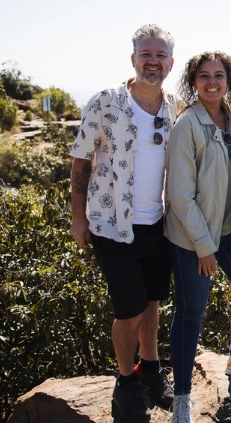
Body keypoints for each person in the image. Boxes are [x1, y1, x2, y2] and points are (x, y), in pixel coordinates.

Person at [70, 24, 178, 423]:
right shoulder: (106, 102)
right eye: (146, 54)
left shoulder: (175, 107)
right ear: (133, 59)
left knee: (152, 303)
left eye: (161, 55)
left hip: (159, 225)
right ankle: (125, 384)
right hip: (112, 225)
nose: (153, 61)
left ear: (170, 62)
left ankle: (150, 371)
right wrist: (77, 217)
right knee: (129, 310)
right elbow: (81, 160)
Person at [165, 51, 231, 423]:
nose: (213, 82)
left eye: (220, 75)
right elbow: (179, 196)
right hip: (192, 237)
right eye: (204, 76)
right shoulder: (187, 126)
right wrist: (204, 247)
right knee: (191, 313)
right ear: (193, 82)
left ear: (229, 81)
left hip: (230, 230)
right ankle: (181, 397)